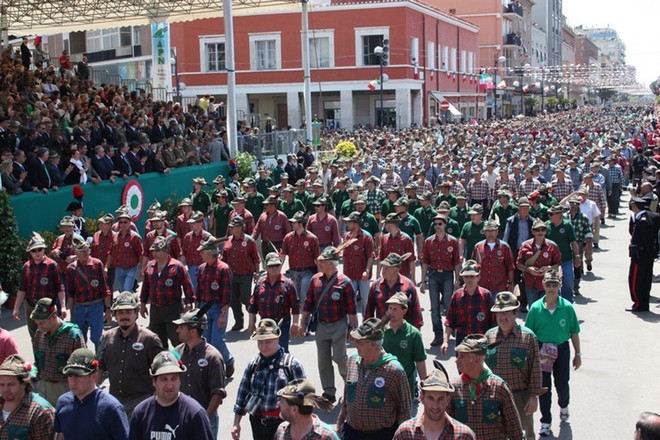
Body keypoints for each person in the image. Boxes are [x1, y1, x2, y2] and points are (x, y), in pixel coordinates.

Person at [525, 270, 581, 437]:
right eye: (548, 285)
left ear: (559, 286)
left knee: (562, 383)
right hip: (542, 351)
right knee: (544, 388)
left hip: (562, 349)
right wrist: (529, 358)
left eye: (554, 285)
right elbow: (529, 334)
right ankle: (545, 421)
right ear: (543, 285)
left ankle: (564, 406)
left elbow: (574, 332)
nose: (551, 288)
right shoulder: (535, 308)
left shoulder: (568, 308)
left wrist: (578, 354)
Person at [336, 317, 412, 439]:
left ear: (372, 344)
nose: (354, 344)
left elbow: (405, 411)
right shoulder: (352, 361)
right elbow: (346, 399)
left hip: (381, 435)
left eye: (359, 342)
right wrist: (339, 422)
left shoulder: (394, 371)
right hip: (352, 432)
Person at [301, 245, 358, 403]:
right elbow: (308, 303)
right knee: (323, 360)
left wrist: (353, 329)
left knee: (340, 358)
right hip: (321, 325)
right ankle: (329, 392)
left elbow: (352, 309)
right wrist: (302, 322)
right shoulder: (315, 279)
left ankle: (351, 386)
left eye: (323, 261)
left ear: (332, 263)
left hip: (339, 324)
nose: (320, 263)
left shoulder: (344, 282)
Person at [232, 319, 306, 440]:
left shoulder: (292, 365)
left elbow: (304, 398)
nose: (264, 347)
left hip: (283, 423)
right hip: (257, 423)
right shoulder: (253, 364)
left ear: (277, 339)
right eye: (260, 343)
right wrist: (236, 423)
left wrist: (301, 425)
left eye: (268, 342)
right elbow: (242, 392)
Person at [97, 291, 166, 417]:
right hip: (114, 402)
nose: (124, 316)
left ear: (136, 314)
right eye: (120, 312)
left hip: (142, 403)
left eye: (128, 312)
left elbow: (162, 371)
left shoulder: (150, 339)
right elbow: (100, 368)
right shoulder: (106, 338)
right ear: (115, 315)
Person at [485, 292, 544, 440]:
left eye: (506, 313)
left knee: (525, 434)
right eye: (499, 313)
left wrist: (534, 396)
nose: (502, 317)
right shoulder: (488, 337)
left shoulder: (528, 337)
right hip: (493, 398)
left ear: (515, 313)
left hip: (520, 397)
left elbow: (535, 369)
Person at [447, 334, 523, 440]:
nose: (456, 360)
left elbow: (515, 428)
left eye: (462, 356)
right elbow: (445, 426)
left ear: (477, 360)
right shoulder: (453, 387)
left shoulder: (499, 388)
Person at [129, 351, 213, 440]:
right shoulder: (141, 413)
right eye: (164, 379)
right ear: (154, 382)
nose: (169, 385)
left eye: (174, 379)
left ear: (179, 380)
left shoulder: (195, 414)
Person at [173, 309, 227, 438]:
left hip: (206, 419)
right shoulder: (175, 353)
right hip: (180, 419)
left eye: (181, 327)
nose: (177, 330)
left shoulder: (213, 357)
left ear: (193, 331)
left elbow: (218, 393)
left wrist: (204, 418)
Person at [54, 348, 129, 440]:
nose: (73, 381)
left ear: (94, 376)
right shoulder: (63, 402)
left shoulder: (111, 408)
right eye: (70, 376)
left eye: (78, 376)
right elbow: (61, 435)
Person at [140, 235, 195, 347]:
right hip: (156, 310)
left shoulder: (177, 266)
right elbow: (145, 286)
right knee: (156, 341)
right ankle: (163, 362)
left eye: (158, 250)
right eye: (153, 251)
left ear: (166, 251)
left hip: (172, 309)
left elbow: (187, 285)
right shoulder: (149, 266)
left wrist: (189, 304)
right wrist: (143, 304)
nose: (154, 253)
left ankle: (181, 363)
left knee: (177, 339)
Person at [393, 367, 476, 440]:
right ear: (422, 397)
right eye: (430, 398)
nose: (435, 406)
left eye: (440, 399)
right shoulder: (405, 434)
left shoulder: (464, 436)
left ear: (448, 399)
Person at [31, 298, 85, 406]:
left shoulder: (73, 335)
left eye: (42, 323)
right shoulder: (39, 333)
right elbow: (36, 362)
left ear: (54, 316)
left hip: (65, 388)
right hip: (43, 387)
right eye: (37, 323)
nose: (39, 326)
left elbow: (83, 368)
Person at [13, 232, 66, 342]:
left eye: (39, 249)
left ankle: (50, 358)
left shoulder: (52, 265)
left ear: (44, 250)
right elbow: (22, 289)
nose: (37, 253)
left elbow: (60, 288)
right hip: (31, 306)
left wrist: (63, 306)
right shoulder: (26, 267)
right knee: (35, 337)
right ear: (30, 252)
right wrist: (16, 308)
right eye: (34, 250)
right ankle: (38, 359)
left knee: (51, 335)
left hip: (47, 307)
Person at [197, 235, 235, 378]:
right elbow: (199, 291)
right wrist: (197, 311)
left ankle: (228, 360)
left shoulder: (223, 269)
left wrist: (223, 315)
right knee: (205, 341)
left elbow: (227, 295)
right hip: (204, 308)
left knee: (217, 341)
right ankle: (210, 368)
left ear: (209, 253)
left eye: (202, 252)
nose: (200, 254)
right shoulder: (201, 269)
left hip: (218, 307)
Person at [420, 213, 461, 346]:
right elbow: (425, 261)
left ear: (445, 224)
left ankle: (451, 328)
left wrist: (457, 280)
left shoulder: (453, 241)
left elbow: (456, 262)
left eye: (440, 223)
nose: (437, 226)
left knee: (449, 305)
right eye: (435, 224)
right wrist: (422, 280)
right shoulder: (428, 241)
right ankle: (438, 334)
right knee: (434, 306)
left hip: (447, 275)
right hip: (433, 275)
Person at [248, 253, 301, 352]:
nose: (274, 268)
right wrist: (251, 323)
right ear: (266, 267)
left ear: (281, 266)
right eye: (271, 266)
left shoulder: (288, 284)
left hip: (282, 322)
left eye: (277, 265)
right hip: (265, 323)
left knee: (281, 350)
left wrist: (295, 323)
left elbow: (295, 305)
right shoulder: (260, 283)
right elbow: (253, 305)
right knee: (266, 350)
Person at [64, 238, 111, 346]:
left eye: (87, 251)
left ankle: (99, 361)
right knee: (79, 339)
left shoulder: (97, 264)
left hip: (96, 306)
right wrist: (72, 314)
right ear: (76, 253)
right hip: (79, 308)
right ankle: (84, 360)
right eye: (82, 251)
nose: (86, 253)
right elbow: (70, 293)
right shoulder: (71, 269)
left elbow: (105, 288)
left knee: (97, 338)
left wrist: (108, 309)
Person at [441, 260, 495, 354]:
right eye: (466, 276)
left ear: (478, 277)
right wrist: (445, 342)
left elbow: (493, 323)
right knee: (462, 368)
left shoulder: (486, 295)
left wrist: (492, 342)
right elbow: (450, 322)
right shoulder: (457, 296)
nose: (469, 279)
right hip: (462, 341)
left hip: (481, 341)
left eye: (472, 276)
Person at [382, 292, 427, 402]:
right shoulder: (380, 331)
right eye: (390, 308)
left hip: (405, 385)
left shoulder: (413, 334)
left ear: (404, 310)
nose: (391, 312)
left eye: (395, 309)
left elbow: (420, 361)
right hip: (382, 384)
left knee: (404, 418)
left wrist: (425, 385)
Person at [0, 355, 55, 439]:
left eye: (11, 384)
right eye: (1, 385)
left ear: (24, 383)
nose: (5, 389)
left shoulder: (40, 411)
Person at [365, 252, 423, 329]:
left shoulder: (408, 285)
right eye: (383, 267)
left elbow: (416, 312)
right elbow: (369, 311)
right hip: (382, 331)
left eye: (387, 268)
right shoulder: (376, 285)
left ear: (396, 269)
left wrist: (416, 334)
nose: (383, 271)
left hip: (402, 332)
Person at [222, 216, 260, 331]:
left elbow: (256, 259)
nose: (231, 229)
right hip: (232, 275)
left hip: (246, 274)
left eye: (233, 227)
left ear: (239, 228)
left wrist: (257, 274)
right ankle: (239, 322)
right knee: (233, 300)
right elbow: (224, 259)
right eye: (230, 227)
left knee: (245, 298)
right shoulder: (228, 241)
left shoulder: (249, 241)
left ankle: (252, 319)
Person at [516, 218, 561, 306]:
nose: (540, 232)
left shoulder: (553, 246)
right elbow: (518, 264)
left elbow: (558, 263)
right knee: (534, 308)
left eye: (542, 230)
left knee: (548, 308)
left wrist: (549, 268)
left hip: (548, 284)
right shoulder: (525, 245)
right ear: (533, 231)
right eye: (537, 230)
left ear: (545, 231)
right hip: (531, 283)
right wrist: (528, 269)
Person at [281, 211, 320, 308]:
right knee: (294, 297)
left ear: (300, 223)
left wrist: (320, 275)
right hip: (293, 272)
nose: (292, 224)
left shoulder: (312, 238)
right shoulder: (288, 238)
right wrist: (279, 269)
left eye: (294, 222)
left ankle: (304, 319)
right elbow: (283, 255)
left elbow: (317, 258)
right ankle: (297, 318)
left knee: (304, 296)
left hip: (307, 272)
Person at [627, 196, 659, 312]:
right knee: (645, 279)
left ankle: (638, 303)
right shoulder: (649, 216)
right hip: (646, 255)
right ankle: (643, 303)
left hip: (640, 255)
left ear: (635, 206)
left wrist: (649, 253)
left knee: (635, 280)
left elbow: (646, 241)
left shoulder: (642, 221)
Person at [341, 211, 375, 314]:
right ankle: (352, 324)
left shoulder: (366, 237)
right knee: (350, 300)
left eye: (349, 222)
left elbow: (370, 256)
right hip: (349, 274)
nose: (347, 224)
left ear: (355, 223)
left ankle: (366, 322)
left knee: (365, 300)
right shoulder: (346, 236)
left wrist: (367, 271)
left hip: (362, 274)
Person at [545, 204, 580, 302]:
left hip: (566, 259)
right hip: (551, 262)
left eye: (551, 214)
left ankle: (568, 301)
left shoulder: (567, 225)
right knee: (552, 283)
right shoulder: (546, 225)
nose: (549, 216)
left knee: (568, 281)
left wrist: (577, 256)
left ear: (559, 215)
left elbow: (573, 242)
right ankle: (555, 301)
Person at [472, 219, 515, 294]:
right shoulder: (478, 247)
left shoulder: (504, 247)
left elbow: (510, 267)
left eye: (492, 231)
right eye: (488, 231)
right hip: (482, 288)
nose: (490, 233)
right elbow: (473, 267)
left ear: (497, 232)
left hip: (500, 287)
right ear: (484, 232)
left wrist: (510, 284)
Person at [108, 210, 144, 293]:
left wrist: (141, 268)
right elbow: (110, 252)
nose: (123, 224)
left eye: (125, 222)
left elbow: (141, 253)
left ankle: (130, 303)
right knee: (121, 290)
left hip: (131, 268)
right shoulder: (115, 236)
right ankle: (132, 301)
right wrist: (106, 267)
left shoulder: (135, 237)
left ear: (129, 223)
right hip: (118, 268)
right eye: (121, 222)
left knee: (126, 289)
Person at [378, 213, 416, 282]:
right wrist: (378, 275)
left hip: (403, 277)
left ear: (391, 225)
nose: (384, 226)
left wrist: (413, 278)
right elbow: (380, 258)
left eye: (385, 224)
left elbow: (411, 260)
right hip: (387, 276)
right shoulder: (384, 239)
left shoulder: (406, 239)